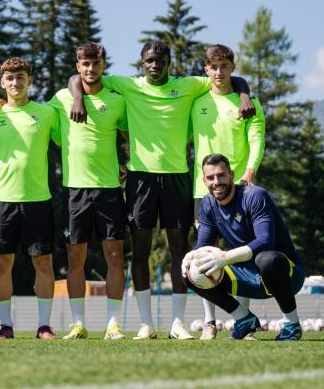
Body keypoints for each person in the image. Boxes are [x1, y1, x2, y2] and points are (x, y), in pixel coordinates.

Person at [69, 40, 255, 340]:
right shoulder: (128, 85)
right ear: (142, 63)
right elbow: (80, 77)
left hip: (177, 178)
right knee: (140, 251)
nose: (154, 65)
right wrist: (77, 100)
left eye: (160, 60)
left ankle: (178, 323)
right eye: (148, 60)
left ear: (169, 62)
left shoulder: (189, 85)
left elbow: (229, 77)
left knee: (179, 251)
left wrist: (244, 95)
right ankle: (146, 323)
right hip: (140, 179)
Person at [48, 43, 128, 340]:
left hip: (109, 190)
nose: (90, 69)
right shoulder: (60, 99)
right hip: (75, 192)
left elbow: (136, 132)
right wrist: (0, 104)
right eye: (85, 64)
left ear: (103, 65)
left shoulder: (117, 101)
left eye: (95, 63)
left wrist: (128, 163)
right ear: (77, 65)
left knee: (115, 255)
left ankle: (113, 324)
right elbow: (33, 114)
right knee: (74, 259)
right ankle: (78, 323)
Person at [0, 57, 61, 339]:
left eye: (21, 77)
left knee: (44, 263)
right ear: (2, 83)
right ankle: (5, 326)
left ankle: (44, 326)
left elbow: (72, 142)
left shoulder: (48, 113)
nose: (16, 83)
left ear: (30, 81)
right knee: (2, 264)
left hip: (39, 199)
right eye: (10, 79)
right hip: (3, 200)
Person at [182, 154, 305, 341]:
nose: (216, 182)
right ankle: (244, 319)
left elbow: (265, 241)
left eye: (221, 175)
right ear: (203, 180)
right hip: (246, 277)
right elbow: (203, 246)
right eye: (210, 177)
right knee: (191, 272)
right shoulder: (207, 204)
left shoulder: (255, 195)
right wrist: (190, 257)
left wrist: (224, 258)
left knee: (267, 259)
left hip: (286, 275)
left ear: (231, 175)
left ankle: (292, 324)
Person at [191, 45, 265, 340]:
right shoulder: (196, 101)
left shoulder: (249, 103)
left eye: (224, 66)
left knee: (241, 256)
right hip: (203, 191)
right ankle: (209, 322)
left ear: (233, 67)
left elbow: (257, 139)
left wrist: (249, 171)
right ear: (206, 70)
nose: (219, 72)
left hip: (240, 189)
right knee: (203, 256)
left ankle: (242, 323)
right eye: (213, 67)